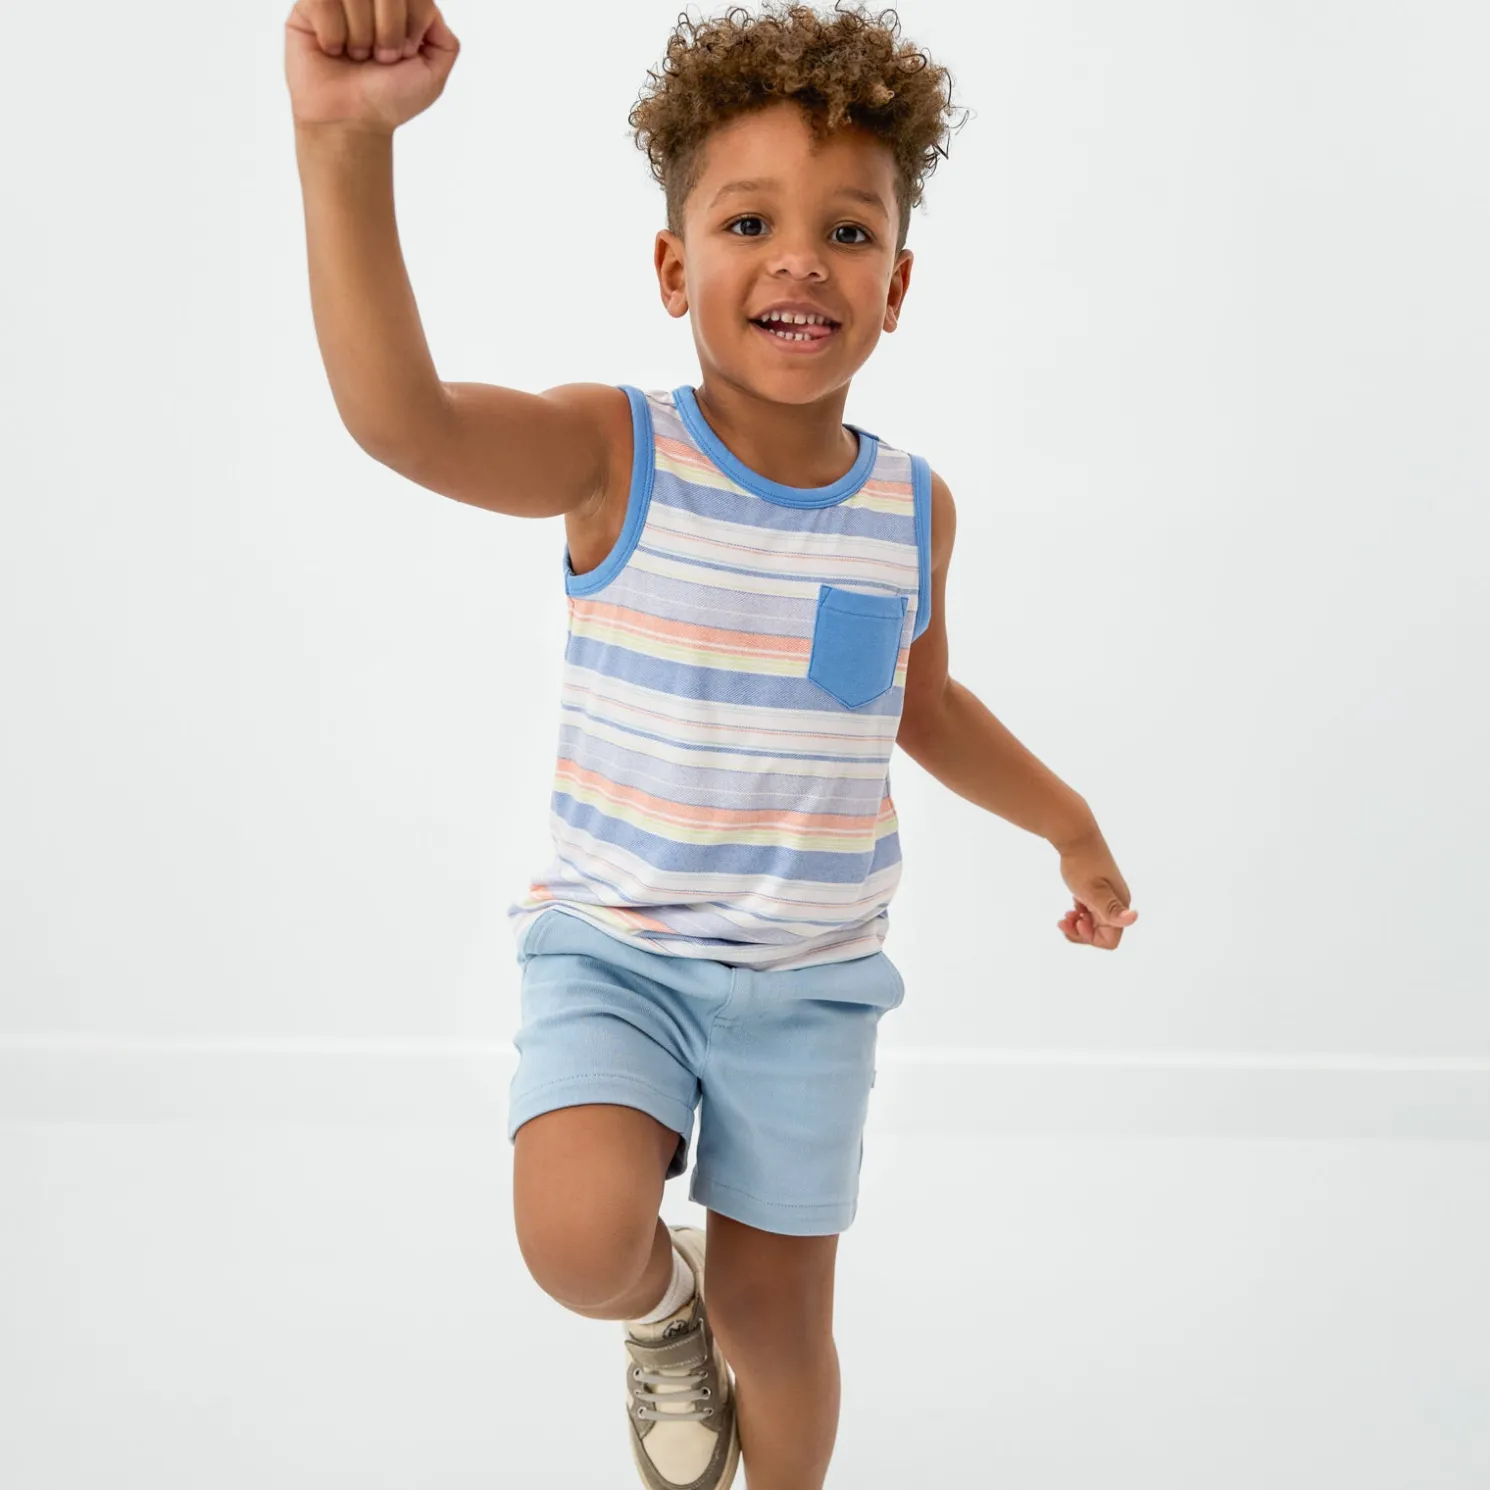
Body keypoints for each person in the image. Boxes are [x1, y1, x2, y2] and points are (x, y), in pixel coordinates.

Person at [285, 2, 1139, 1484]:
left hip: (808, 985)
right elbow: (400, 420)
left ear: (898, 285)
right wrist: (340, 144)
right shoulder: (615, 452)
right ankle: (657, 1312)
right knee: (574, 1237)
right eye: (749, 219)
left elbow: (919, 706)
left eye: (849, 232)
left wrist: (1067, 821)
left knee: (785, 1326)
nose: (801, 256)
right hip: (617, 949)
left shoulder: (910, 511)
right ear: (675, 266)